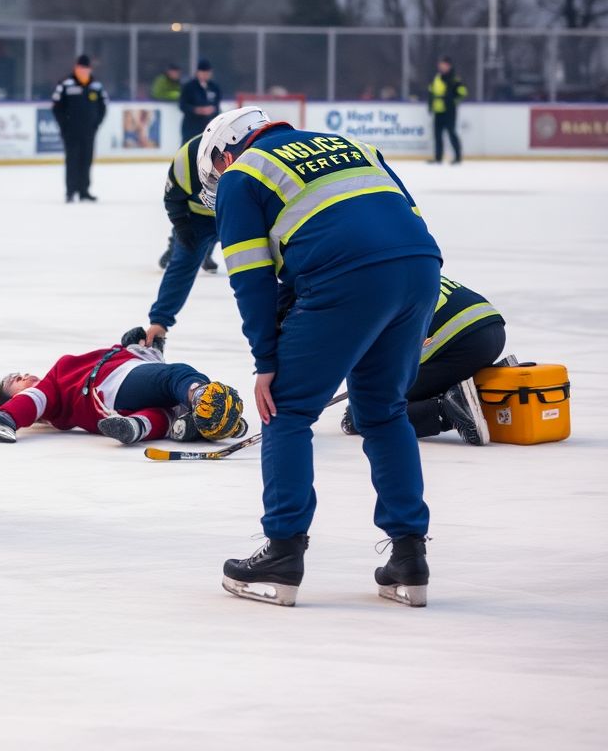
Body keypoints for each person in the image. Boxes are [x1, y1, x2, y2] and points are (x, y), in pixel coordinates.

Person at [198, 107, 442, 607]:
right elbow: (408, 225)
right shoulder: (354, 146)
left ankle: (283, 553)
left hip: (343, 278)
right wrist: (420, 314)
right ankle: (408, 558)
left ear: (226, 153)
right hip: (420, 274)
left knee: (286, 411)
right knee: (384, 411)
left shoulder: (241, 176)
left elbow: (250, 278)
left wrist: (266, 362)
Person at [0, 328, 247, 446]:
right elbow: (36, 399)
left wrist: (136, 346)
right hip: (112, 383)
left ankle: (151, 427)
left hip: (118, 391)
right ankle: (205, 403)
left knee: (164, 411)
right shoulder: (52, 386)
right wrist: (8, 416)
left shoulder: (58, 392)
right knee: (177, 376)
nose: (25, 375)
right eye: (15, 380)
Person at [340, 276, 506, 446]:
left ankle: (448, 410)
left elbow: (367, 360)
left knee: (367, 411)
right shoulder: (395, 271)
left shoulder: (355, 298)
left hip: (462, 344)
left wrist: (358, 404)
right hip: (492, 329)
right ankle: (481, 391)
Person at [148, 125, 258, 339]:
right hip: (196, 219)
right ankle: (160, 321)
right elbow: (173, 200)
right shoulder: (186, 160)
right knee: (183, 262)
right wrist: (181, 227)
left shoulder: (252, 157)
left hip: (237, 214)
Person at [52, 53, 106, 202]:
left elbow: (103, 107)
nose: (83, 71)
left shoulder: (96, 85)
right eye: (81, 67)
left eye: (86, 68)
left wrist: (96, 124)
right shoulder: (65, 84)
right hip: (70, 131)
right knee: (72, 160)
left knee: (86, 160)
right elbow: (56, 107)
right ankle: (70, 191)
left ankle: (84, 191)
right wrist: (64, 125)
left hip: (89, 131)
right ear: (76, 67)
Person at [428, 56, 467, 164]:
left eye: (443, 64)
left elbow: (462, 92)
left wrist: (451, 99)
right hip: (438, 110)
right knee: (437, 135)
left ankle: (458, 157)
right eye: (440, 64)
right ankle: (438, 157)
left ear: (449, 65)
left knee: (451, 133)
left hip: (449, 110)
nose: (441, 66)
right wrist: (430, 105)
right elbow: (431, 92)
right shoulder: (437, 77)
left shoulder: (454, 78)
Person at [179, 58, 221, 143]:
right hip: (191, 127)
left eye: (207, 73)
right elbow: (182, 105)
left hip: (208, 126)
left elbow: (217, 106)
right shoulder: (189, 87)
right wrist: (197, 110)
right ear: (198, 73)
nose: (205, 75)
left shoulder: (214, 88)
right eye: (203, 73)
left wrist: (212, 110)